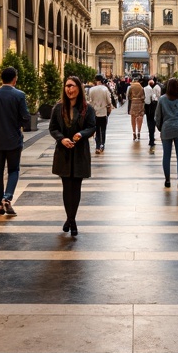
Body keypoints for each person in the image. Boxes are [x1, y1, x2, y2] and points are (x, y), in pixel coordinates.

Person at [49, 75, 96, 237]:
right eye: (67, 86)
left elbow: (91, 127)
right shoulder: (58, 108)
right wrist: (62, 139)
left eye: (72, 86)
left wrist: (80, 134)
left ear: (79, 88)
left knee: (75, 187)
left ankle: (71, 219)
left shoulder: (87, 108)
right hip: (64, 152)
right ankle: (71, 219)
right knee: (66, 187)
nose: (69, 89)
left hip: (79, 152)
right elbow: (53, 128)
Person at [0, 65, 30, 216]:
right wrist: (19, 124)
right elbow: (26, 118)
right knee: (13, 170)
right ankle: (7, 197)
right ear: (15, 79)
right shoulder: (19, 95)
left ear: (1, 78)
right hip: (13, 140)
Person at [155, 76, 178, 190]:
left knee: (166, 155)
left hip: (166, 129)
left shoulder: (162, 99)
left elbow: (157, 117)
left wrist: (161, 128)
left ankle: (167, 180)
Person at [88, 73, 113, 153]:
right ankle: (102, 145)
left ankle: (97, 146)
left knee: (97, 129)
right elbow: (109, 101)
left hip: (94, 112)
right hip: (103, 111)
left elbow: (90, 101)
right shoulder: (105, 89)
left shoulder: (91, 89)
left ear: (95, 80)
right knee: (103, 129)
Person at [144, 75, 162, 151]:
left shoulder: (146, 89)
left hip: (149, 108)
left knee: (150, 123)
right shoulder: (157, 88)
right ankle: (152, 138)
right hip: (154, 108)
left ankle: (151, 138)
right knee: (153, 123)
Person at [128, 76, 146, 140]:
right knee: (140, 117)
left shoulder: (131, 87)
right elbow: (143, 97)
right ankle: (139, 131)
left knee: (133, 118)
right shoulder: (141, 87)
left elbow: (128, 96)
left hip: (133, 103)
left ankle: (133, 132)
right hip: (140, 103)